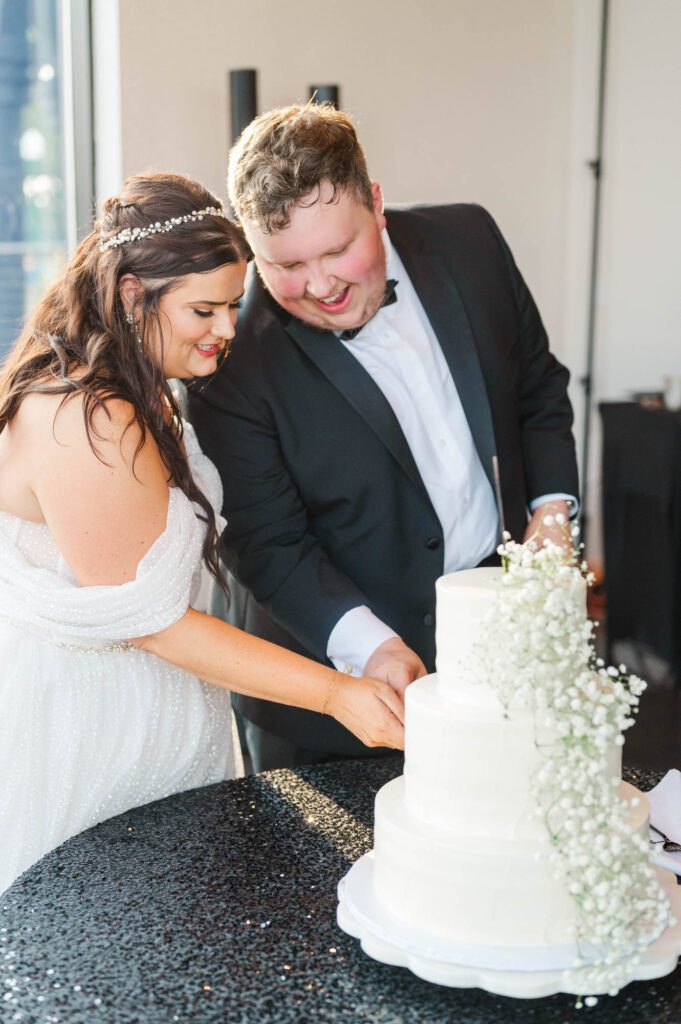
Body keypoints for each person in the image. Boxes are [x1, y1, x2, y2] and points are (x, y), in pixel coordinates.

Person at [0, 171, 404, 896]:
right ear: (132, 295)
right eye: (205, 309)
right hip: (90, 734)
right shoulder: (84, 415)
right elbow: (153, 622)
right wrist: (337, 693)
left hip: (161, 711)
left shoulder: (139, 385)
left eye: (233, 305)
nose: (226, 328)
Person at [187, 104, 579, 772]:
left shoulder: (470, 241)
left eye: (338, 249)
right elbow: (269, 545)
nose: (320, 286)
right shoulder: (229, 361)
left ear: (375, 201)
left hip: (499, 655)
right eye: (285, 264)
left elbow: (536, 388)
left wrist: (550, 510)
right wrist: (369, 648)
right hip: (329, 714)